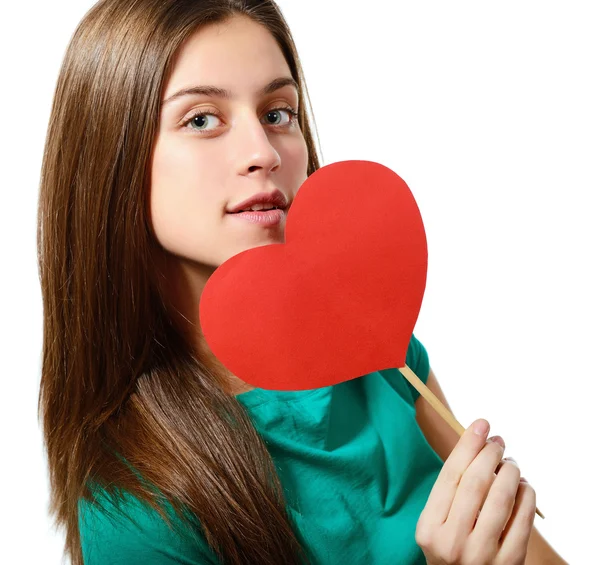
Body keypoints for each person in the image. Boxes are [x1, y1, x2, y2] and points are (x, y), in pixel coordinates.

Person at [37, 1, 567, 564]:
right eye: (201, 119)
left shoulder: (381, 348)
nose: (263, 154)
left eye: (277, 113)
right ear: (111, 159)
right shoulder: (132, 511)